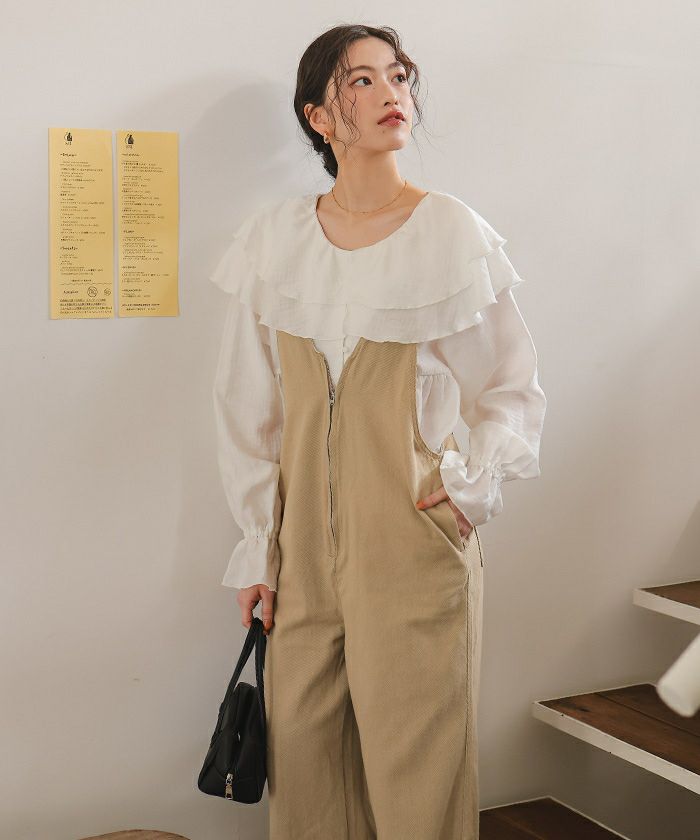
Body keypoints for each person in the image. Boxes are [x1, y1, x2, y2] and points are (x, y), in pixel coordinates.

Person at [209, 23, 547, 840]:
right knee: (307, 780)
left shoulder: (449, 234)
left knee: (417, 782)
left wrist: (470, 491)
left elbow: (510, 388)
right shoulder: (274, 241)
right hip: (299, 563)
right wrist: (259, 547)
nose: (392, 92)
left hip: (413, 549)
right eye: (361, 80)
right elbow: (246, 410)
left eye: (398, 75)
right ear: (319, 116)